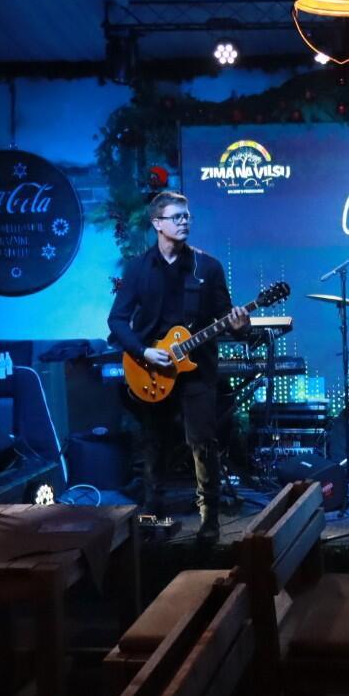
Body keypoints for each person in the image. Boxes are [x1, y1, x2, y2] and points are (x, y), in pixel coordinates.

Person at [107, 191, 248, 543]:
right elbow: (117, 320)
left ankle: (209, 520)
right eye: (176, 217)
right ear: (157, 223)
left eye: (187, 216)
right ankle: (152, 514)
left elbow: (225, 317)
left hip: (196, 370)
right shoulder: (138, 269)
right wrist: (143, 352)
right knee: (153, 443)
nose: (184, 222)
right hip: (151, 369)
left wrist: (238, 324)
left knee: (203, 442)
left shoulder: (207, 268)